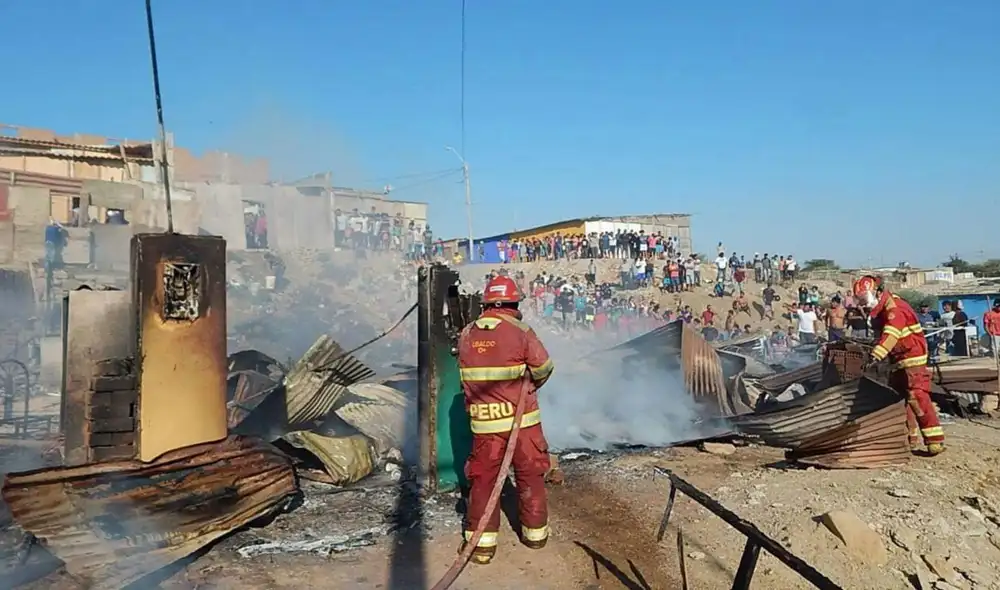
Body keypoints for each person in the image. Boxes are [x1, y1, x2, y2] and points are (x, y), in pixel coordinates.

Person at [456, 275, 555, 564]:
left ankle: (482, 547)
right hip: (522, 423)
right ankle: (535, 535)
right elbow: (545, 367)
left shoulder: (466, 334)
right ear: (513, 302)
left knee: (484, 481)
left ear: (485, 303)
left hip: (485, 425)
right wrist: (528, 385)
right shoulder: (521, 331)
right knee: (530, 475)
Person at [853, 276, 944, 455]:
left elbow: (892, 333)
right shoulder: (882, 309)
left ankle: (935, 440)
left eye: (864, 298)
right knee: (901, 398)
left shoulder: (894, 308)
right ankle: (909, 438)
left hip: (912, 357)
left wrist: (877, 354)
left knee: (916, 395)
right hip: (898, 357)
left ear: (877, 292)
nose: (863, 303)